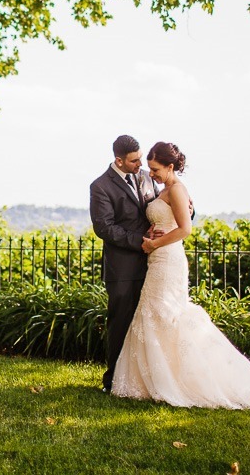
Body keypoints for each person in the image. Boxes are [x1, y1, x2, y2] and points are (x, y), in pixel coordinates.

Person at [111, 142, 250, 409]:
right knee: (154, 314)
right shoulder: (164, 189)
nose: (150, 174)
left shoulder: (176, 189)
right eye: (149, 168)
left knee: (165, 314)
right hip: (158, 258)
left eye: (155, 169)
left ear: (170, 167)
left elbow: (185, 229)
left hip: (168, 258)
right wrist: (151, 235)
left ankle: (181, 380)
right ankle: (152, 379)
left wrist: (154, 244)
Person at [89, 135, 160, 393]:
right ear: (118, 160)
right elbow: (104, 228)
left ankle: (147, 380)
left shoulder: (147, 178)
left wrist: (188, 207)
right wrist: (139, 241)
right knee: (121, 323)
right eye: (134, 160)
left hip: (153, 263)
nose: (140, 164)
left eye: (140, 158)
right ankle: (114, 381)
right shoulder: (100, 186)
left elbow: (163, 204)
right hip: (122, 268)